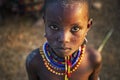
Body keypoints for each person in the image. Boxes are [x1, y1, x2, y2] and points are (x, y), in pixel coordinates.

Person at [26, 0, 102, 80]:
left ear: (88, 27)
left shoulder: (93, 59)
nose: (64, 39)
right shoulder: (34, 62)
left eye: (75, 28)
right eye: (54, 27)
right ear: (45, 23)